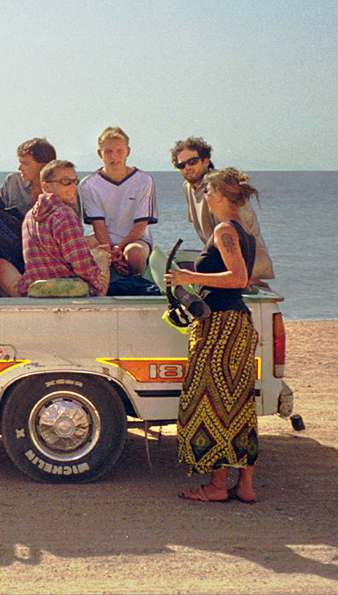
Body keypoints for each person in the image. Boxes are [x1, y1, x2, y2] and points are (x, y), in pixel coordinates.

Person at [164, 168, 260, 503]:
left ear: (219, 195)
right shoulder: (241, 231)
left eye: (207, 191)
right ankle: (244, 486)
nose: (204, 196)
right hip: (237, 324)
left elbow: (238, 278)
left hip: (220, 325)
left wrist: (187, 276)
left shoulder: (223, 230)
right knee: (239, 405)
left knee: (208, 403)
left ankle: (217, 485)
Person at [0, 160, 110, 297]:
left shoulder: (30, 216)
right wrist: (97, 276)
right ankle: (98, 300)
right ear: (46, 187)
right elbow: (82, 265)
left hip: (35, 291)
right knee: (101, 254)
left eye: (74, 181)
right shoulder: (64, 214)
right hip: (69, 290)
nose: (73, 187)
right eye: (66, 182)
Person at [171, 137, 274, 287]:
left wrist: (245, 274)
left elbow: (242, 231)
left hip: (245, 263)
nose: (187, 167)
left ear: (206, 161)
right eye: (181, 165)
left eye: (192, 161)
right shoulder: (187, 187)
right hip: (221, 258)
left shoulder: (222, 186)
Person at [80, 127, 158, 276]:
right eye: (108, 151)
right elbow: (98, 225)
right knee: (80, 247)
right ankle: (93, 290)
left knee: (134, 253)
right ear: (99, 153)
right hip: (102, 239)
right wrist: (110, 252)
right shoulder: (88, 184)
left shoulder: (144, 180)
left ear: (127, 151)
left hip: (136, 240)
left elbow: (140, 226)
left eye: (119, 151)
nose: (114, 156)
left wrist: (119, 248)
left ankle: (136, 287)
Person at [0, 138, 57, 217]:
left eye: (25, 164)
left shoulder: (63, 188)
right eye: (20, 163)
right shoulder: (12, 182)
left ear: (44, 166)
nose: (19, 168)